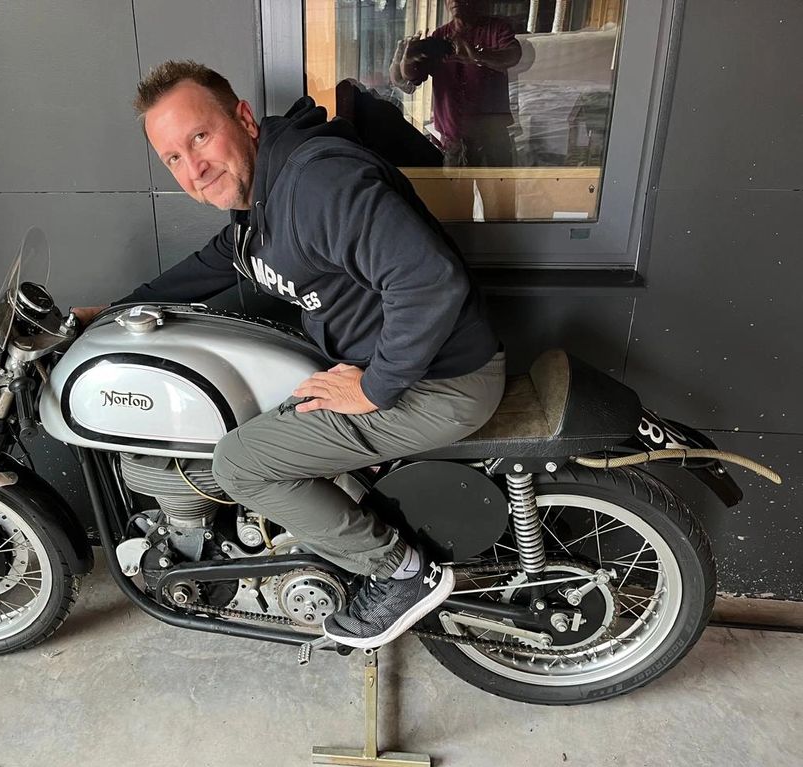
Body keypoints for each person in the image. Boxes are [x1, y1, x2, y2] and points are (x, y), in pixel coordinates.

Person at [74, 60, 505, 649]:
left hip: (441, 383)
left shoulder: (315, 184)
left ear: (244, 119)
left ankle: (402, 573)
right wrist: (115, 312)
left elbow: (429, 281)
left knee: (239, 463)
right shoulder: (263, 194)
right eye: (173, 157)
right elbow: (218, 260)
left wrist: (373, 387)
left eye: (199, 138)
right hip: (403, 369)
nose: (194, 169)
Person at [390, 0, 521, 167]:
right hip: (453, 143)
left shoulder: (496, 29)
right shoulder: (439, 36)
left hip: (492, 140)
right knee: (454, 184)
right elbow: (411, 81)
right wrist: (405, 60)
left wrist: (476, 55)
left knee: (497, 185)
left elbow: (513, 55)